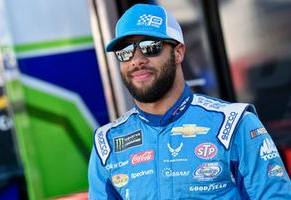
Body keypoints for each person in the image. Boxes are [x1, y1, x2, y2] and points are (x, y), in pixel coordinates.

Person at [88, 3, 291, 200]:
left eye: (150, 47)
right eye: (125, 51)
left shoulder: (234, 124)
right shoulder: (107, 143)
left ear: (178, 52)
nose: (136, 59)